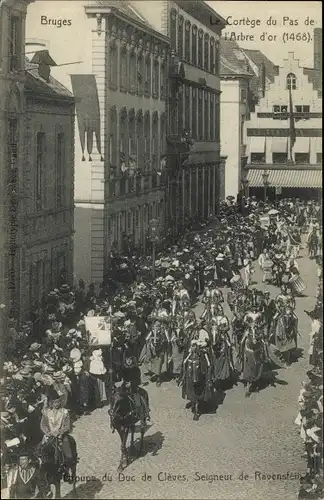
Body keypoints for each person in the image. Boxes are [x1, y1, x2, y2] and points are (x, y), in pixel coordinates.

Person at [39, 388, 73, 462]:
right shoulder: (46, 412)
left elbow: (67, 425)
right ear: (51, 403)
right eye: (55, 402)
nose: (57, 404)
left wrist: (60, 432)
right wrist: (48, 432)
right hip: (49, 434)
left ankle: (69, 463)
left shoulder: (65, 412)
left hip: (61, 435)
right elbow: (43, 424)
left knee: (68, 453)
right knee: (40, 451)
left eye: (58, 402)